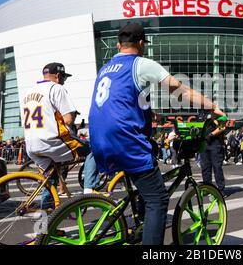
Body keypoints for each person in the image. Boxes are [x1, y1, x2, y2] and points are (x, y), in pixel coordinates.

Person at [88, 22, 225, 245]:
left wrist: (152, 114)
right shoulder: (141, 64)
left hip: (99, 138)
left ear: (117, 45)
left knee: (147, 178)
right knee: (158, 199)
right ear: (141, 43)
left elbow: (120, 101)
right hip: (124, 139)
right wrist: (211, 106)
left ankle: (141, 225)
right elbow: (180, 90)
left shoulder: (106, 68)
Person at [22, 63, 100, 201]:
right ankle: (89, 189)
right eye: (64, 77)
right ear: (58, 76)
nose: (64, 81)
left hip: (31, 144)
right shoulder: (56, 88)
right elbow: (68, 119)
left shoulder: (28, 92)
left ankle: (47, 210)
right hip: (52, 141)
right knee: (94, 149)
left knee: (49, 179)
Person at [201, 114, 227, 193]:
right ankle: (207, 188)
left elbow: (222, 127)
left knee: (217, 167)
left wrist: (211, 134)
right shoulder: (202, 114)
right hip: (204, 143)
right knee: (205, 168)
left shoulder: (220, 115)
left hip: (215, 144)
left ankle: (221, 190)